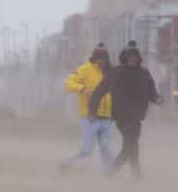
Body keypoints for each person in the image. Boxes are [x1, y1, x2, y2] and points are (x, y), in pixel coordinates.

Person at [90, 41, 162, 179]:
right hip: (121, 116)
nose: (132, 60)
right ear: (125, 58)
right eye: (130, 57)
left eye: (135, 57)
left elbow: (152, 93)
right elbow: (98, 92)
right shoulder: (116, 72)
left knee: (132, 145)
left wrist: (158, 99)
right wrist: (92, 112)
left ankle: (131, 175)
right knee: (131, 143)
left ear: (138, 59)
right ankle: (119, 172)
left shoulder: (144, 73)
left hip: (137, 117)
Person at [60, 45, 115, 173]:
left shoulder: (111, 73)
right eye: (99, 59)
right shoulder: (84, 70)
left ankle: (109, 173)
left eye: (104, 59)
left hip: (107, 117)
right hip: (89, 117)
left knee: (106, 147)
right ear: (94, 58)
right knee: (86, 150)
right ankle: (67, 163)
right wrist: (82, 89)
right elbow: (68, 83)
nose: (102, 61)